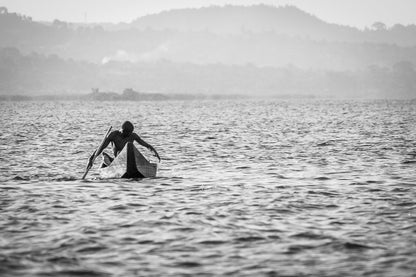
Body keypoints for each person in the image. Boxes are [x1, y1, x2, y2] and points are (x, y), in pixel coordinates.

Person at [88, 121, 161, 168]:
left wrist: (155, 152)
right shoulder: (114, 135)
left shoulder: (133, 135)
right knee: (113, 154)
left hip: (129, 160)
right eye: (128, 132)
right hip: (118, 160)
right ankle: (109, 164)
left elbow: (146, 145)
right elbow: (101, 147)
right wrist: (92, 158)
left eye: (130, 132)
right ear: (122, 130)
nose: (129, 134)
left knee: (130, 147)